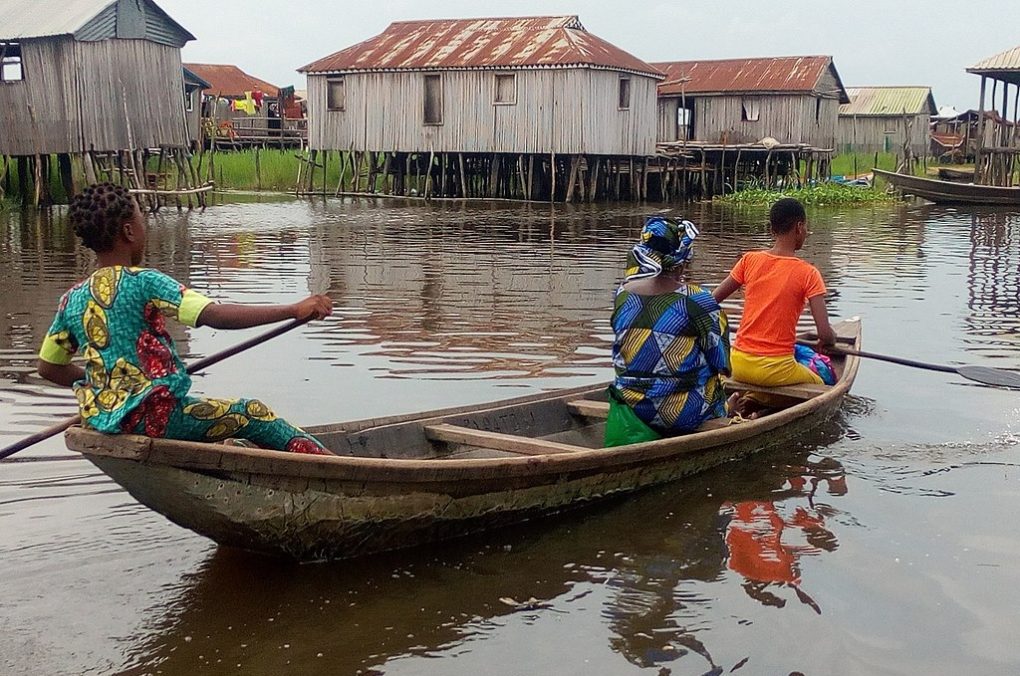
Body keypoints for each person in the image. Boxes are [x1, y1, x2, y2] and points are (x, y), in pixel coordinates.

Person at [37, 183, 334, 454]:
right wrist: (293, 309)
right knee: (252, 413)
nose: (145, 227)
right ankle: (338, 466)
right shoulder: (144, 283)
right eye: (142, 220)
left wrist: (105, 382)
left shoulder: (72, 300)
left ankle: (237, 449)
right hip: (156, 418)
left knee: (231, 437)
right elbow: (213, 315)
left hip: (102, 418)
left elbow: (49, 367)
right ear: (129, 232)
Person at [609, 216, 731, 439]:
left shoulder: (622, 294)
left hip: (631, 406)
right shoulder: (697, 300)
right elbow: (721, 363)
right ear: (683, 260)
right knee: (717, 378)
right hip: (681, 414)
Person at [712, 198, 836, 409]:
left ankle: (743, 401)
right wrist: (829, 340)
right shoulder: (808, 273)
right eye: (806, 227)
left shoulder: (748, 260)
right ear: (799, 227)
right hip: (777, 368)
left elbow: (710, 301)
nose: (805, 233)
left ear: (772, 229)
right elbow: (824, 333)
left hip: (739, 362)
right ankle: (755, 402)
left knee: (769, 376)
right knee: (823, 381)